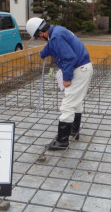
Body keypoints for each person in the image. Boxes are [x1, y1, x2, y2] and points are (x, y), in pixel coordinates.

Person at [26, 17, 93, 151]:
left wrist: (66, 78)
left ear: (41, 33)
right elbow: (51, 45)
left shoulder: (55, 37)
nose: (40, 39)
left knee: (67, 104)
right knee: (76, 102)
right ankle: (74, 132)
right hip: (83, 68)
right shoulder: (56, 31)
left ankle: (62, 141)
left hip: (78, 69)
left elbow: (70, 57)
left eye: (38, 38)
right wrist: (43, 53)